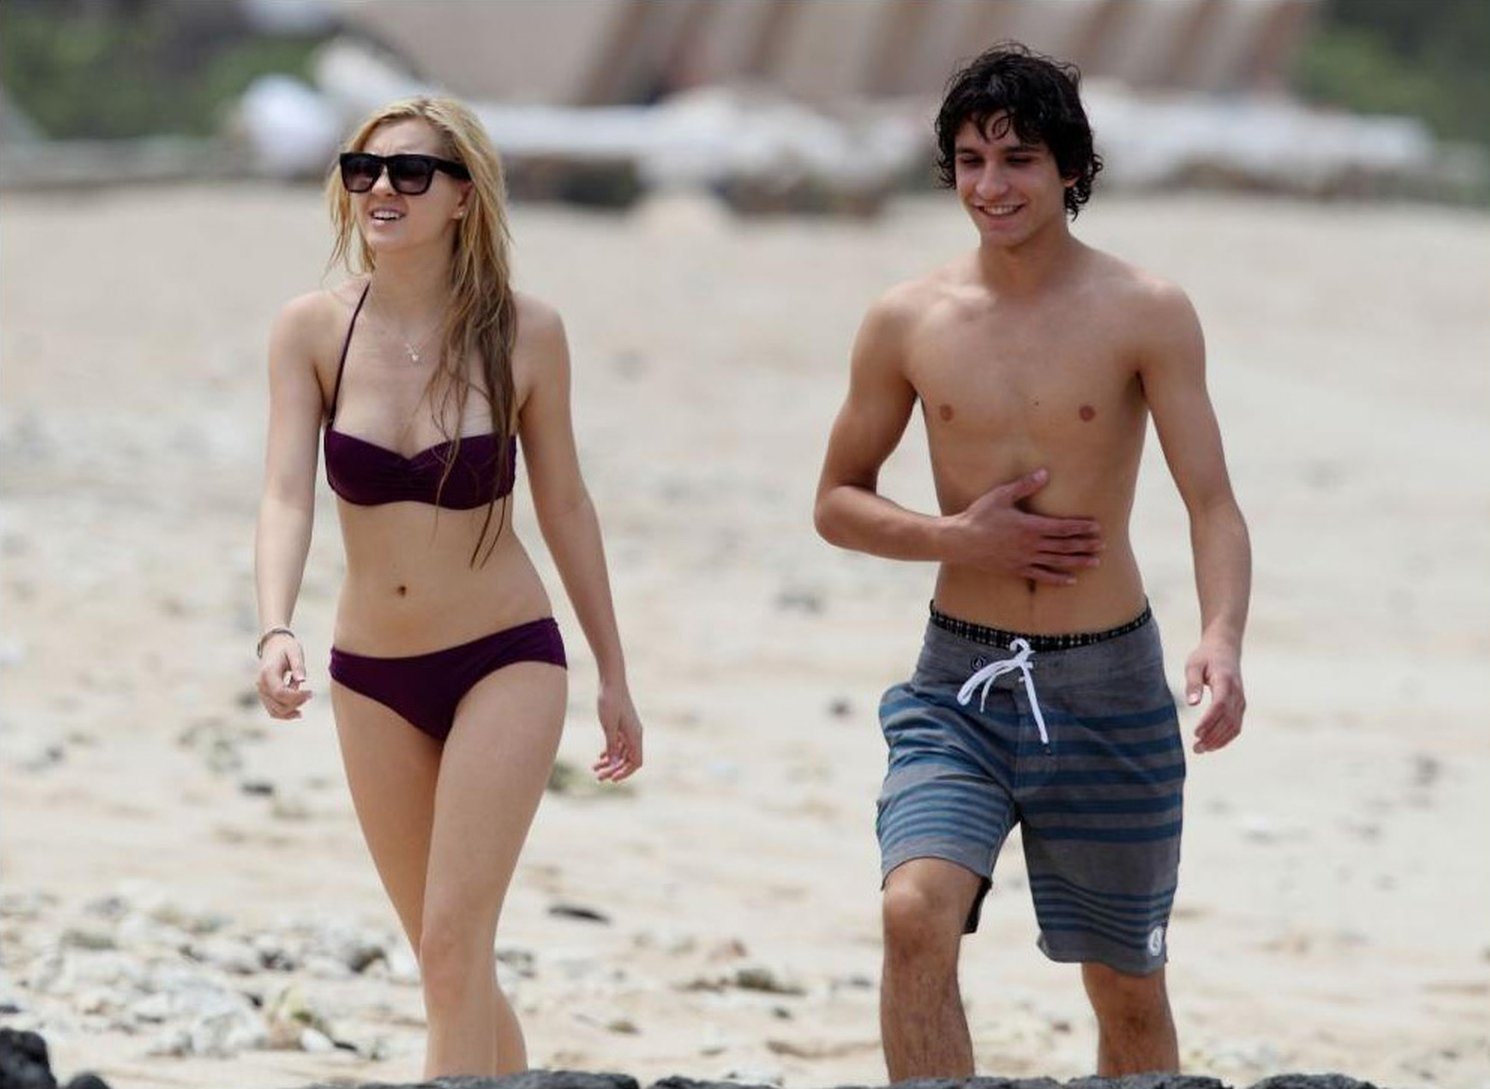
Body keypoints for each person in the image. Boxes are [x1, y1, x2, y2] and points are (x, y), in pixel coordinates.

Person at [814, 44, 1250, 1077]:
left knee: (1125, 985)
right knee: (912, 912)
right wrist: (952, 538)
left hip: (1108, 688)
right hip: (958, 684)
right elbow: (835, 501)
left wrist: (1222, 637)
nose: (990, 185)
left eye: (1016, 159)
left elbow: (1212, 502)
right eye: (970, 161)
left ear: (1069, 169)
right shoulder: (907, 318)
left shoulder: (1144, 310)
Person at [252, 96, 643, 1078]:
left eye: (410, 172)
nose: (381, 188)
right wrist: (273, 626)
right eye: (363, 170)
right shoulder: (311, 329)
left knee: (453, 949)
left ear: (464, 196)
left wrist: (611, 671)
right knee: (445, 961)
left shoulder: (525, 332)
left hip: (502, 659)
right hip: (370, 675)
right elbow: (285, 494)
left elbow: (565, 504)